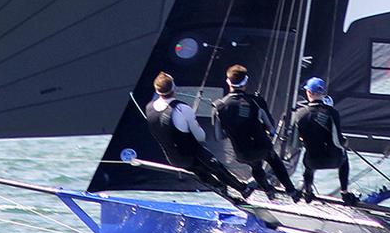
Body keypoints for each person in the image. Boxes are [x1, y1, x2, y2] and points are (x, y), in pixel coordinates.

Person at [145, 72, 248, 197]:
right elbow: (200, 136)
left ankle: (219, 188)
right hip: (192, 153)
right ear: (174, 87)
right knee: (217, 168)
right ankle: (242, 189)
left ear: (157, 90)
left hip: (173, 158)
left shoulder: (149, 108)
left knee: (200, 172)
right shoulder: (182, 108)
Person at [213, 64, 301, 201]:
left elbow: (219, 137)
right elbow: (271, 128)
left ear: (228, 82)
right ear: (246, 82)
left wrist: (233, 130)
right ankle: (291, 191)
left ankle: (268, 190)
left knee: (255, 165)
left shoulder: (218, 106)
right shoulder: (256, 101)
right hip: (262, 148)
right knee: (275, 161)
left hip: (242, 153)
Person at [295, 77, 359, 205]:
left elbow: (300, 139)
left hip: (312, 161)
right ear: (323, 93)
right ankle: (344, 193)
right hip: (334, 160)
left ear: (309, 93)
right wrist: (344, 142)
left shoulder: (299, 114)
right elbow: (338, 140)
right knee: (344, 157)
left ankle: (308, 192)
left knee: (307, 165)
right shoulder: (333, 113)